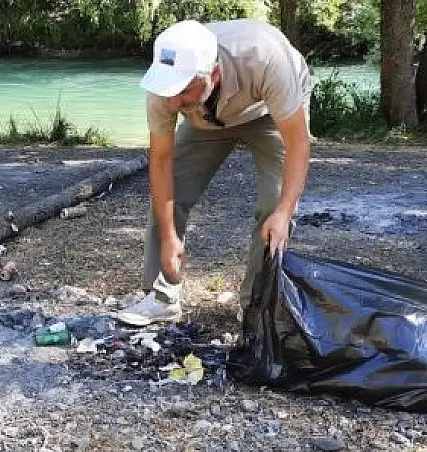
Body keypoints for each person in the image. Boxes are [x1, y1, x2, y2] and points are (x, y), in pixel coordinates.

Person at [115, 19, 313, 326]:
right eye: (167, 91)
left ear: (214, 73)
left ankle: (255, 308)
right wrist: (168, 237)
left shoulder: (265, 57)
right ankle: (163, 296)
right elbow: (162, 162)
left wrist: (285, 211)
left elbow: (298, 143)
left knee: (274, 205)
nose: (171, 102)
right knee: (171, 192)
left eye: (181, 91)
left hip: (268, 110)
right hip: (206, 117)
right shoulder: (164, 92)